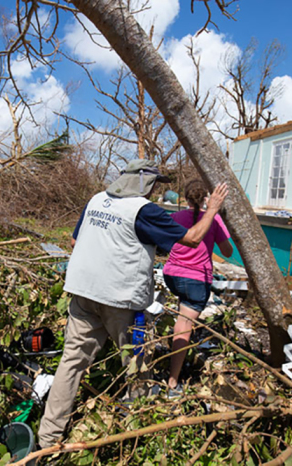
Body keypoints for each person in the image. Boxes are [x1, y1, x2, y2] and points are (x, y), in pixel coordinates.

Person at [38, 160, 229, 448]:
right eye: (153, 185)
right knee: (137, 364)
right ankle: (138, 429)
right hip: (120, 300)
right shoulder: (144, 210)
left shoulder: (96, 201)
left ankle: (48, 438)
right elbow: (192, 238)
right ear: (143, 183)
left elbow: (76, 243)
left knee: (71, 362)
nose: (154, 192)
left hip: (82, 292)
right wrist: (212, 208)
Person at [163, 179, 234, 392]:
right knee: (184, 326)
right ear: (206, 199)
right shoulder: (213, 219)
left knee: (182, 314)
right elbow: (228, 252)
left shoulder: (174, 217)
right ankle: (173, 380)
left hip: (171, 275)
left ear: (184, 198)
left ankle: (176, 350)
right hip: (195, 280)